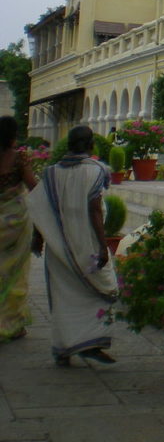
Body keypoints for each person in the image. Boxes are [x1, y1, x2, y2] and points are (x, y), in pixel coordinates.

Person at [27, 125, 117, 366]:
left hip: (59, 246)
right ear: (91, 145)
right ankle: (88, 343)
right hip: (85, 242)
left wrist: (39, 237)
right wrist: (102, 245)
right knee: (103, 288)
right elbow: (95, 210)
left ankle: (67, 348)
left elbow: (40, 208)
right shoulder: (96, 171)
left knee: (63, 295)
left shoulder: (50, 173)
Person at [0, 116, 37, 343]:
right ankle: (11, 323)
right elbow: (33, 185)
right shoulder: (19, 158)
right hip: (16, 221)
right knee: (15, 274)